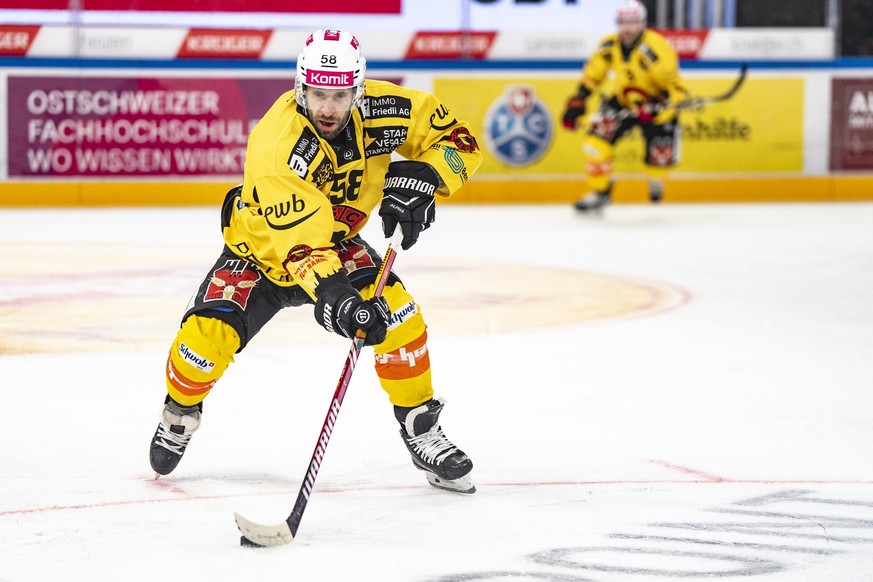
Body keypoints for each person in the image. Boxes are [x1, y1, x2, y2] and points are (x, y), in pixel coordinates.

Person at [148, 29, 482, 494]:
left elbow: (459, 140)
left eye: (341, 94)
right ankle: (179, 411)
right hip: (263, 252)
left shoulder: (387, 111)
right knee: (204, 343)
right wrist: (335, 297)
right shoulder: (276, 144)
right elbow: (299, 247)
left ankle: (420, 427)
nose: (328, 107)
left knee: (400, 317)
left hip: (339, 242)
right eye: (318, 93)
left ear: (358, 90)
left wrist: (428, 175)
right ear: (301, 88)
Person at [561, 0, 688, 213]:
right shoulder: (609, 45)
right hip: (624, 102)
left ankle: (656, 178)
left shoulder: (657, 48)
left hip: (657, 109)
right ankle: (600, 193)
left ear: (642, 23)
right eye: (623, 22)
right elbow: (593, 74)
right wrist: (579, 98)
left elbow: (676, 87)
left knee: (659, 164)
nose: (627, 28)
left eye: (632, 22)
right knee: (595, 143)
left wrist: (661, 102)